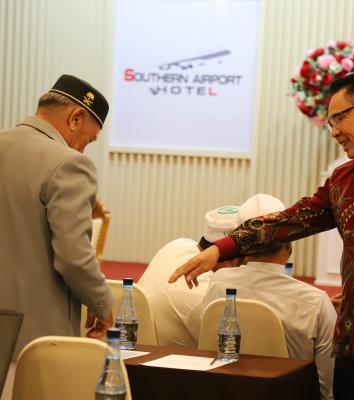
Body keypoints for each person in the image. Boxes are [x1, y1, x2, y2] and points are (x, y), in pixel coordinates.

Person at [169, 71, 354, 399]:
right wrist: (220, 249)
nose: (334, 131)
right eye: (330, 122)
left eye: (339, 119)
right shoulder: (343, 181)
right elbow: (289, 221)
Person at [0, 74, 114, 360]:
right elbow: (73, 257)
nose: (83, 149)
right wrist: (102, 303)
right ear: (75, 118)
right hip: (31, 340)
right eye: (88, 140)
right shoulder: (68, 164)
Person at [202, 194, 336, 400]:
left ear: (240, 244)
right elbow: (327, 389)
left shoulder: (218, 283)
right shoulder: (315, 303)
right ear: (289, 243)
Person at [138, 204, 240, 347]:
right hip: (172, 361)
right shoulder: (203, 296)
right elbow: (230, 348)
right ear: (229, 263)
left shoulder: (178, 244)